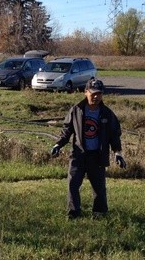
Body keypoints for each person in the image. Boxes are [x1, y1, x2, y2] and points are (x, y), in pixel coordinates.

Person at [51, 78, 126, 219]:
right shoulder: (76, 110)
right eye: (93, 93)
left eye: (99, 93)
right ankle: (73, 213)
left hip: (97, 156)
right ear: (86, 92)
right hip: (78, 154)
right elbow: (66, 131)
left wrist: (118, 153)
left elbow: (114, 135)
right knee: (72, 185)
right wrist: (58, 144)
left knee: (99, 188)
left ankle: (99, 213)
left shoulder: (107, 114)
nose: (96, 96)